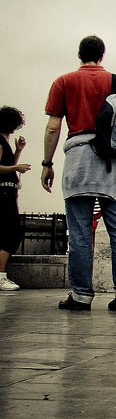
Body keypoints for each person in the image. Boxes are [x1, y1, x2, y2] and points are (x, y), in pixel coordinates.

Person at [42, 35, 116, 312]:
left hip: (79, 157)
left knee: (81, 231)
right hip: (113, 159)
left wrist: (46, 163)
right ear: (102, 56)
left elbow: (52, 127)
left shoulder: (64, 82)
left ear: (79, 54)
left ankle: (82, 295)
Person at [0, 106, 31, 291]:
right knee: (11, 233)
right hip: (3, 194)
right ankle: (1, 275)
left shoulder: (5, 141)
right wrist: (16, 168)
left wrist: (19, 151)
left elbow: (8, 164)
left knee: (8, 232)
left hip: (8, 192)